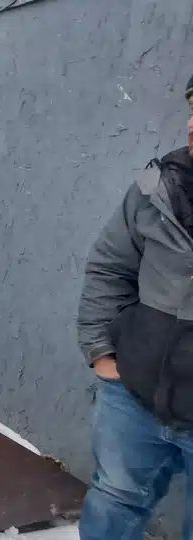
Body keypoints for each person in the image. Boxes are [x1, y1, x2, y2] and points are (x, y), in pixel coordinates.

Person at [77, 74, 193, 539]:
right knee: (113, 505)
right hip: (135, 401)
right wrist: (102, 352)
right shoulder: (156, 190)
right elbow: (109, 268)